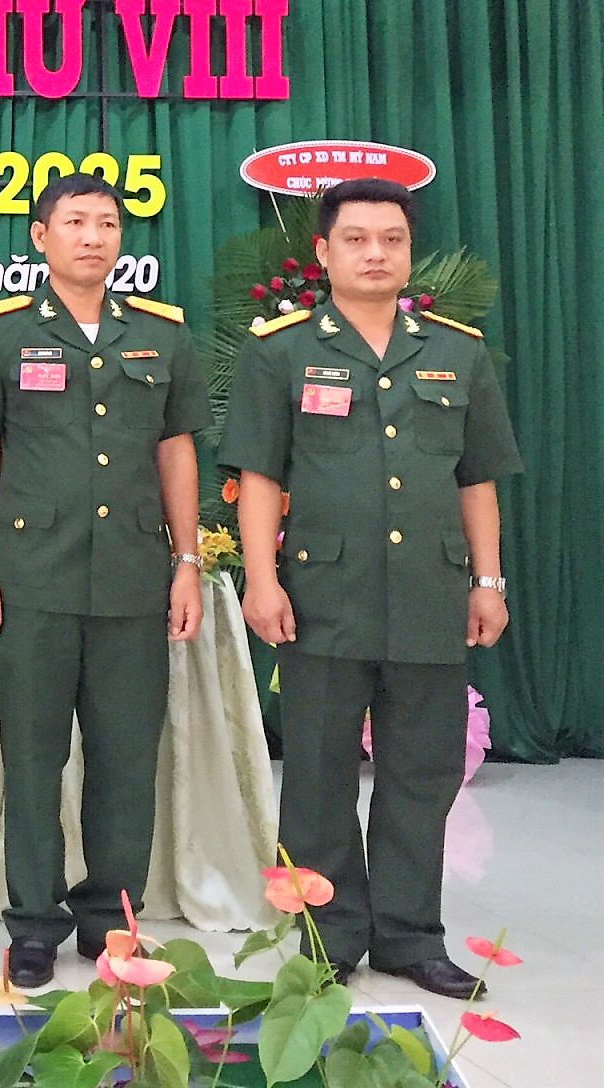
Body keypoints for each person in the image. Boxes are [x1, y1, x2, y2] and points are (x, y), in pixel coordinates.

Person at [221, 178, 521, 1000]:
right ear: (324, 252)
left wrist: (488, 581)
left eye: (391, 239)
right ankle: (329, 936)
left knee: (423, 772)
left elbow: (477, 480)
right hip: (324, 595)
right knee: (317, 776)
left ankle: (410, 935)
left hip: (430, 593)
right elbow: (258, 477)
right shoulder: (280, 352)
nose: (375, 253)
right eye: (356, 239)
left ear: (409, 252)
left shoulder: (457, 353)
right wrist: (261, 580)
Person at [0, 173, 208, 989]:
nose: (93, 237)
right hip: (31, 579)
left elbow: (176, 450)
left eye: (107, 223)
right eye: (75, 222)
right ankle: (33, 923)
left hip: (133, 580)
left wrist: (186, 562)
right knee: (32, 759)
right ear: (41, 237)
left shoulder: (162, 335)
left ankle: (112, 922)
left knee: (126, 760)